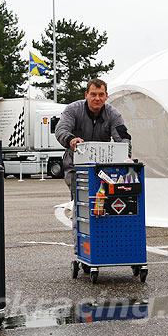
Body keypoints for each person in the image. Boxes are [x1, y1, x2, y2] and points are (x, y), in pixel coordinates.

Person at [55, 78, 131, 253]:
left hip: (102, 166)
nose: (97, 98)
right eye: (93, 94)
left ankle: (107, 245)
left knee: (106, 204)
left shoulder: (113, 114)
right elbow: (61, 130)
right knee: (81, 203)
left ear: (106, 96)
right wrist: (70, 140)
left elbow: (123, 136)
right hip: (75, 166)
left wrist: (126, 155)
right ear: (86, 95)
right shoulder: (73, 110)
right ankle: (81, 249)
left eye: (101, 95)